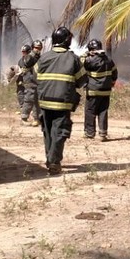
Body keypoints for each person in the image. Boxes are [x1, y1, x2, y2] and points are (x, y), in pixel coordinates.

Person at [35, 27, 87, 175]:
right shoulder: (73, 59)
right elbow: (82, 80)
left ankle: (50, 159)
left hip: (44, 102)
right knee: (59, 132)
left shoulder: (43, 58)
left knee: (47, 132)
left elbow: (35, 75)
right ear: (67, 40)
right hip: (62, 103)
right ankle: (54, 162)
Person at [82, 39, 118, 141]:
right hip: (106, 91)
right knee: (103, 111)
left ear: (91, 50)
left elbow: (80, 63)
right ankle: (103, 133)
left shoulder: (89, 60)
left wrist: (86, 54)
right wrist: (111, 83)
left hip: (93, 91)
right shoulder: (109, 60)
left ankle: (89, 133)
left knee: (90, 111)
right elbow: (115, 73)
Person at [18, 42, 40, 126]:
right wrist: (32, 55)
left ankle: (37, 118)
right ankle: (24, 118)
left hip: (36, 81)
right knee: (29, 98)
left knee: (37, 100)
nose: (37, 49)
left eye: (39, 48)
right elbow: (27, 63)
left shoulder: (37, 57)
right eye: (36, 48)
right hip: (29, 81)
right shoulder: (27, 58)